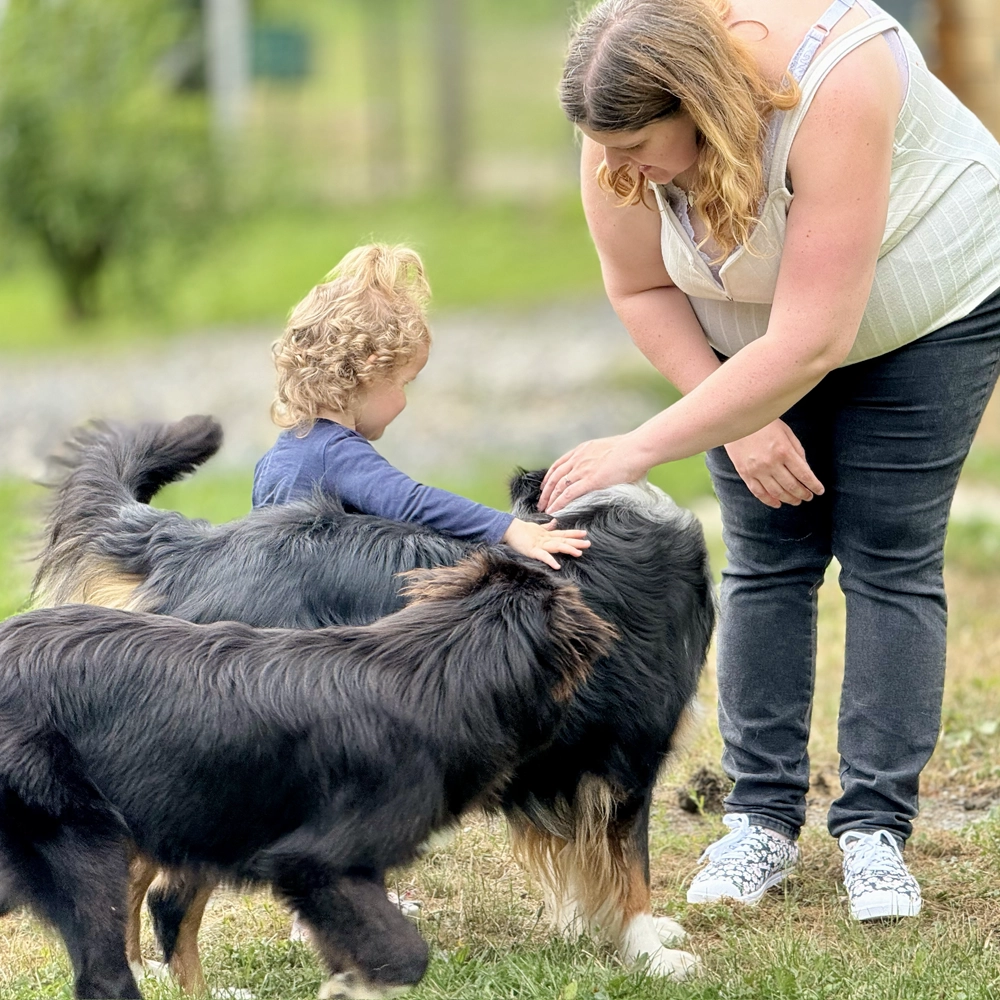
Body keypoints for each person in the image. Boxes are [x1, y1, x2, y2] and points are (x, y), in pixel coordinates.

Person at [541, 0, 1000, 921]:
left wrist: (642, 446)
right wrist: (737, 419)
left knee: (888, 557)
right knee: (768, 560)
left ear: (699, 106)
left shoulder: (841, 79)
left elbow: (814, 335)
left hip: (926, 308)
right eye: (606, 151)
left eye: (638, 148)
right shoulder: (615, 130)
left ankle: (875, 827)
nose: (617, 170)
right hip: (752, 334)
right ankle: (759, 818)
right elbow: (637, 284)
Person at [253, 243, 590, 570]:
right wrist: (509, 528)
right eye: (404, 383)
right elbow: (413, 502)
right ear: (370, 372)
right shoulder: (336, 454)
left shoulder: (274, 459)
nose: (404, 399)